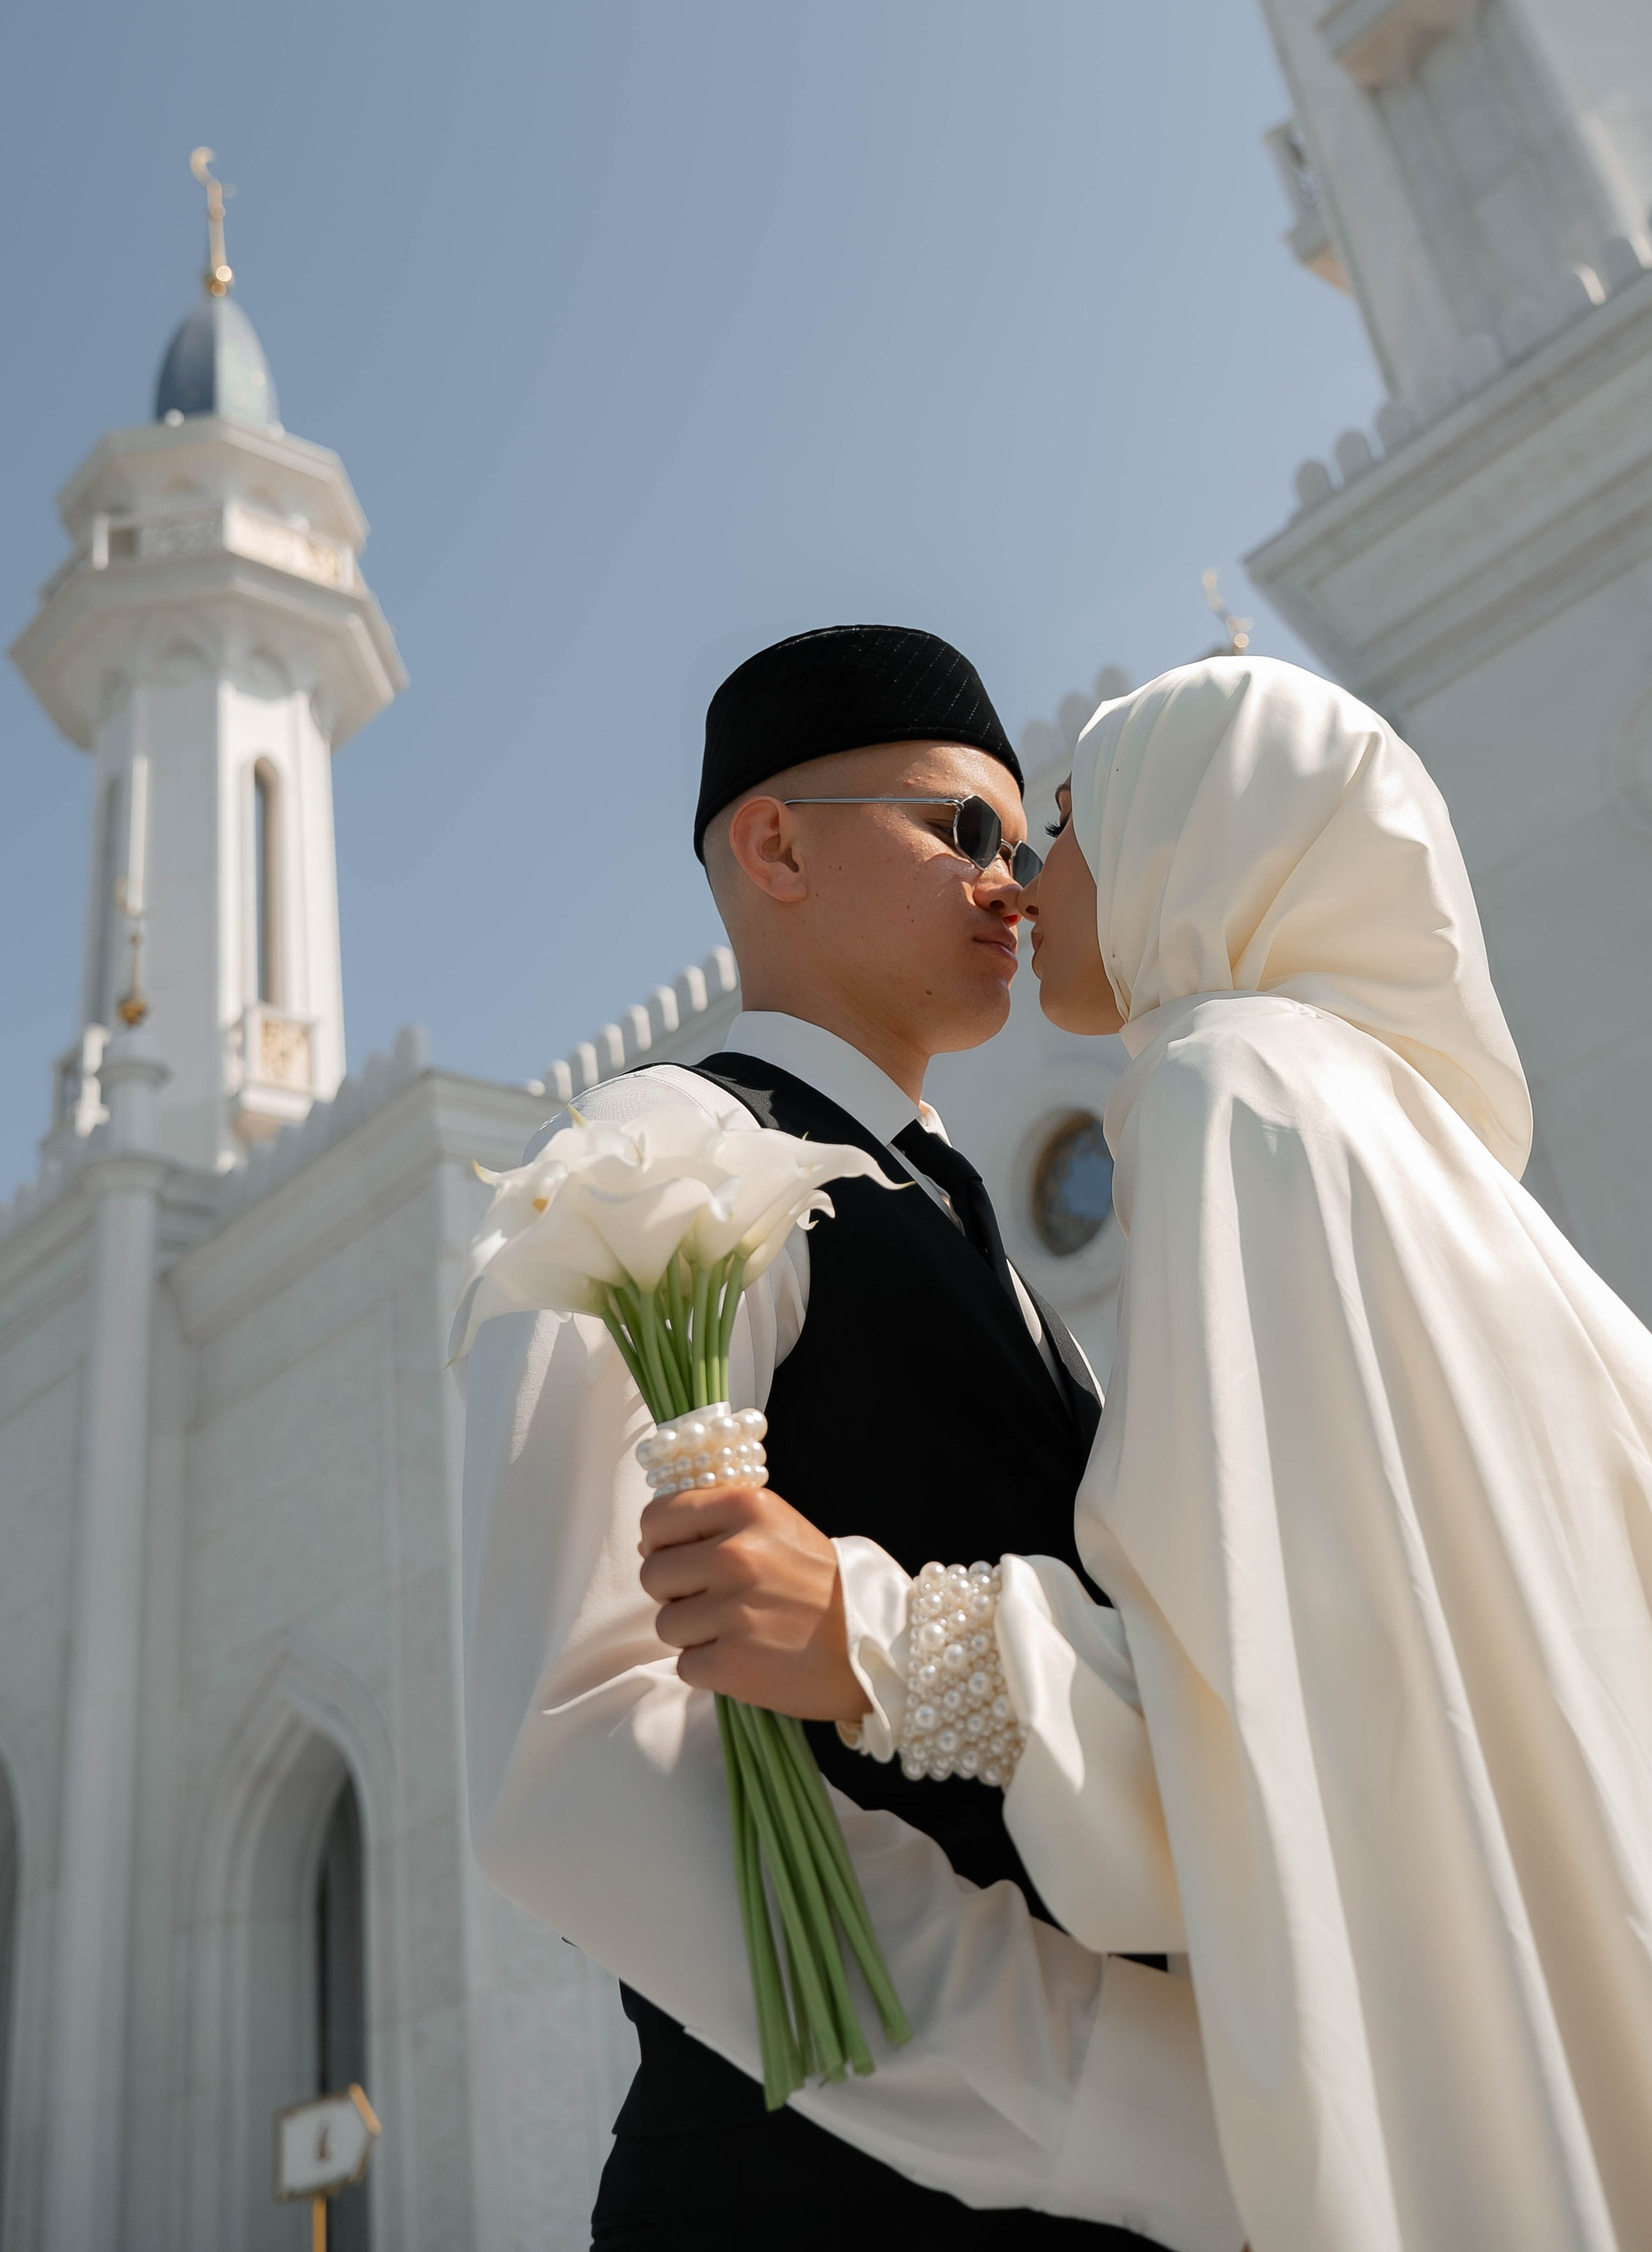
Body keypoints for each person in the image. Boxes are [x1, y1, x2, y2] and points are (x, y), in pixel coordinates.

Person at [674, 654, 1652, 2252]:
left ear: (1193, 839)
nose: (1022, 884)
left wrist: (882, 1638)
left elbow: (1269, 1698)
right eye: (985, 831)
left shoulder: (1232, 1089)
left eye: (1055, 827)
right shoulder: (1352, 1110)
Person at [457, 625, 1243, 2252]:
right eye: (962, 828)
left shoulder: (970, 1249)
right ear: (773, 842)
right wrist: (1128, 2101)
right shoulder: (654, 1161)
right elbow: (590, 1743)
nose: (1012, 887)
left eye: (1025, 844)